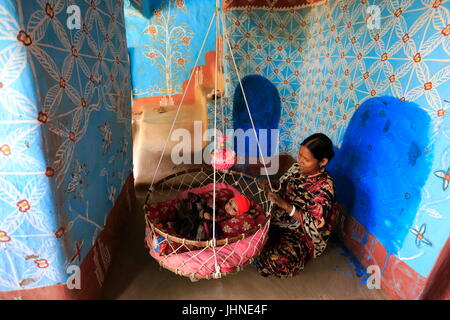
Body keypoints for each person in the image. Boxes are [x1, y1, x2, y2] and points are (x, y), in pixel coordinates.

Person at [254, 133, 336, 278]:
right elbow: (282, 186)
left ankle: (272, 254)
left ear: (323, 161)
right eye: (299, 155)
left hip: (302, 235)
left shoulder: (325, 187)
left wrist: (285, 206)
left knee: (280, 262)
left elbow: (315, 225)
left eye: (306, 159)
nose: (301, 161)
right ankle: (266, 248)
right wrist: (270, 185)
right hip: (280, 220)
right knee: (252, 232)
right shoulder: (296, 168)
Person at [173, 192, 251, 241]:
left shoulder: (228, 216)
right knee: (198, 203)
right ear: (229, 200)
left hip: (207, 219)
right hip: (206, 211)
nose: (229, 207)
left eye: (234, 209)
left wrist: (211, 217)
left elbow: (219, 219)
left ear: (237, 214)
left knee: (205, 227)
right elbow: (212, 202)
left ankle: (182, 224)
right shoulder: (223, 202)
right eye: (230, 203)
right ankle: (183, 209)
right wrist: (209, 208)